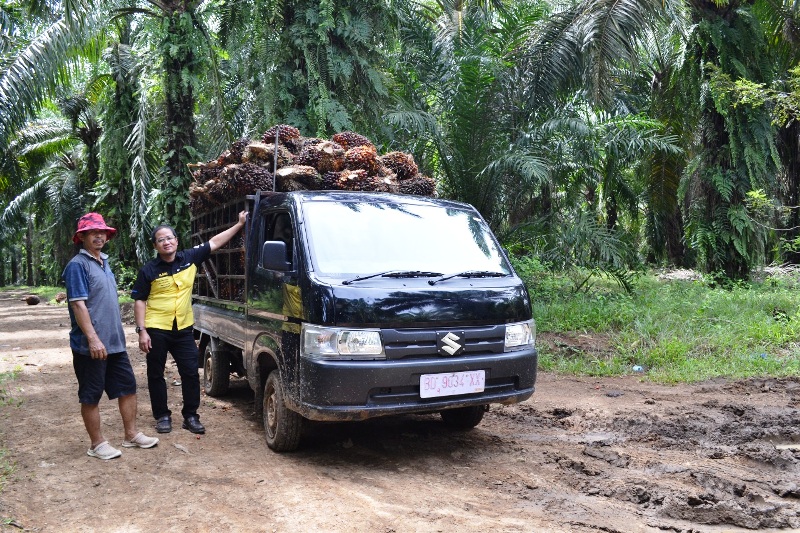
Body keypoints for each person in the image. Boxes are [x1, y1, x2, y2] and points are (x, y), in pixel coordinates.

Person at [131, 211, 247, 435]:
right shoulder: (149, 270)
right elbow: (139, 300)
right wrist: (142, 331)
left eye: (169, 238)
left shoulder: (189, 258)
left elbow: (215, 242)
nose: (166, 242)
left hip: (183, 328)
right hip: (156, 328)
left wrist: (239, 224)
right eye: (161, 239)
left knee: (191, 372)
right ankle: (162, 416)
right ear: (155, 246)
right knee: (156, 374)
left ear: (176, 240)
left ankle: (191, 416)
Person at [63, 213, 159, 460]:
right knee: (91, 394)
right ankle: (97, 444)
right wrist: (93, 338)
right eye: (93, 232)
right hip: (90, 345)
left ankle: (131, 435)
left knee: (127, 388)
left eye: (102, 232)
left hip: (115, 343)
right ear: (81, 236)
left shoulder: (104, 262)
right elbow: (79, 305)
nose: (99, 236)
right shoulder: (78, 265)